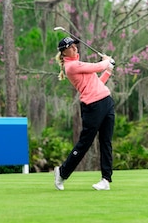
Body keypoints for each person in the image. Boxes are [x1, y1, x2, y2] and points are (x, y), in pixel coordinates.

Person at [54, 36, 115, 191]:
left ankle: (105, 180)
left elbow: (96, 84)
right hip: (92, 107)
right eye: (71, 47)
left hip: (106, 102)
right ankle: (62, 173)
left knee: (106, 142)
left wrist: (107, 71)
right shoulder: (72, 67)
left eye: (75, 45)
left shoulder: (79, 64)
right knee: (85, 143)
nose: (75, 48)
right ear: (64, 53)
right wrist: (106, 62)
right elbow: (96, 67)